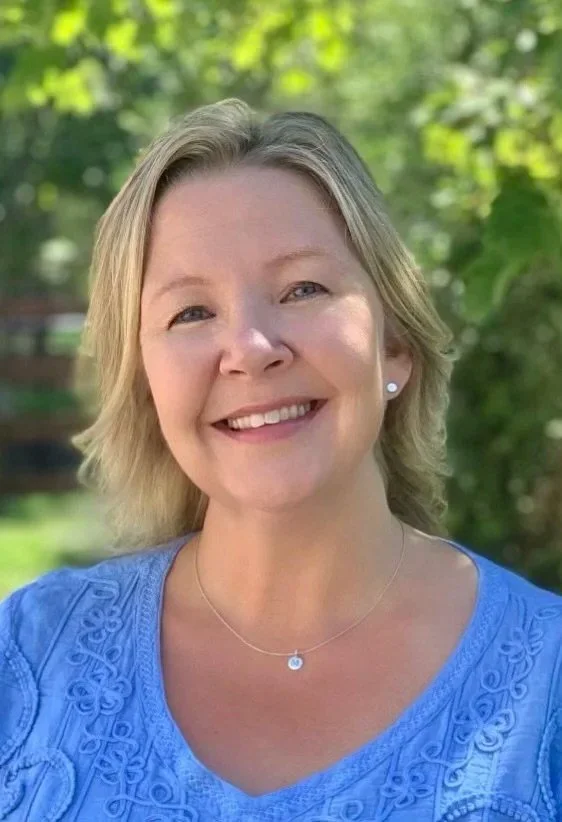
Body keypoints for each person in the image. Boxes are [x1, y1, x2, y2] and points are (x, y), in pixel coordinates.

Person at [1, 98, 561, 822]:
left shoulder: (544, 682)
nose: (253, 349)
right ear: (145, 381)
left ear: (395, 346)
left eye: (303, 289)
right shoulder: (30, 659)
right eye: (192, 312)